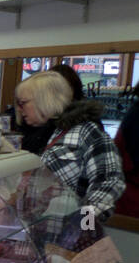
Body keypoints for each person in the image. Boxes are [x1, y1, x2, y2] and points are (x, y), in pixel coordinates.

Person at [14, 71, 123, 250]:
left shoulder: (86, 131)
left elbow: (110, 182)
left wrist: (82, 225)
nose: (19, 109)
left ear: (45, 99)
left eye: (23, 103)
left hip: (70, 245)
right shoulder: (36, 135)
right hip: (38, 240)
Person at [16, 63, 84, 156]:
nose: (19, 109)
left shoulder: (77, 134)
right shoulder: (38, 132)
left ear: (44, 101)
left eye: (23, 103)